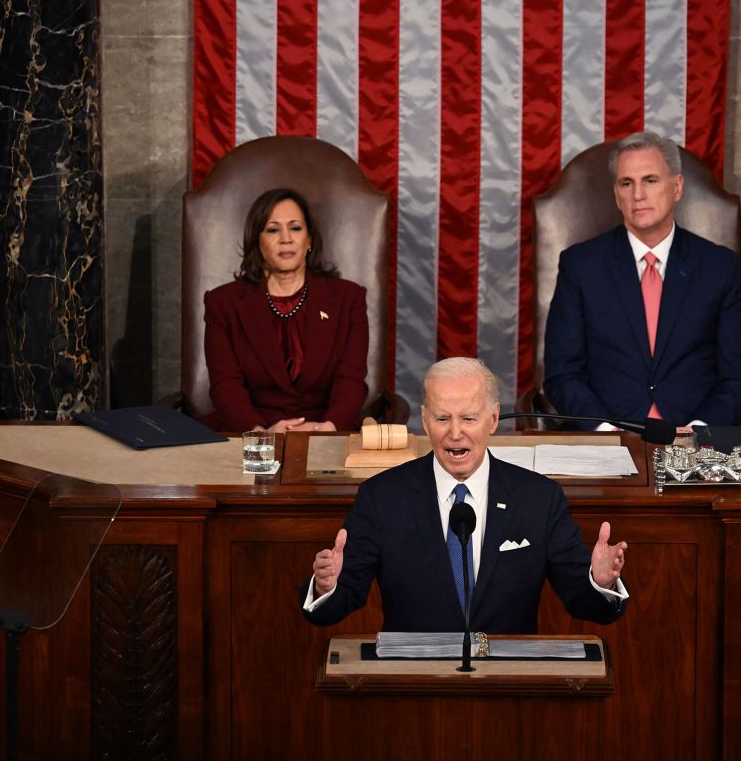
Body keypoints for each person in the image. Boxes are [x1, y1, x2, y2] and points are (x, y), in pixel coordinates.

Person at [301, 357, 628, 633]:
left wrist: (600, 581)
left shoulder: (539, 498)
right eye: (443, 419)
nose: (455, 433)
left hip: (508, 686)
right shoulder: (383, 497)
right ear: (426, 422)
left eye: (469, 418)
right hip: (412, 686)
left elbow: (583, 601)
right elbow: (335, 605)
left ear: (493, 419)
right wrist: (325, 586)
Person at [543, 131, 741, 427]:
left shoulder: (718, 267)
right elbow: (562, 374)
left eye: (650, 180)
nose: (638, 195)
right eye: (626, 183)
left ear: (677, 187)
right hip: (606, 439)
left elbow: (739, 377)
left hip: (693, 438)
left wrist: (700, 429)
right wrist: (605, 431)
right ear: (616, 195)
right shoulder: (580, 266)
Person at [202, 188, 368, 432]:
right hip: (249, 433)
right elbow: (225, 385)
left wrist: (328, 428)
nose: (286, 238)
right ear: (257, 241)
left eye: (295, 228)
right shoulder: (223, 303)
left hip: (328, 431)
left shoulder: (348, 298)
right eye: (272, 229)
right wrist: (260, 435)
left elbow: (351, 380)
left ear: (309, 238)